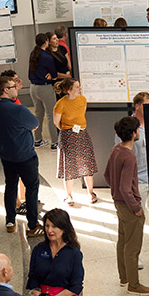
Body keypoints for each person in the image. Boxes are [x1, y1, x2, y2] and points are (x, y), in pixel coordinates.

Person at [0, 75, 43, 237]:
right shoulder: (18, 109)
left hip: (6, 154)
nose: (16, 88)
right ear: (5, 90)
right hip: (25, 156)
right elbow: (34, 124)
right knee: (32, 188)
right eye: (13, 86)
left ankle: (10, 220)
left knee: (10, 186)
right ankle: (32, 225)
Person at [105, 116, 149, 296]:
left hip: (118, 204)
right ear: (133, 134)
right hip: (128, 206)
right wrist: (136, 208)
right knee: (133, 246)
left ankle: (124, 277)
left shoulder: (115, 150)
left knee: (122, 241)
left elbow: (107, 175)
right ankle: (134, 284)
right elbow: (126, 189)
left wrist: (115, 193)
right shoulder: (129, 156)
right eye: (138, 130)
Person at [53, 77, 99, 206]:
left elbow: (81, 115)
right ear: (68, 91)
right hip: (68, 135)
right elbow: (57, 122)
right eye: (77, 87)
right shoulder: (60, 104)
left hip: (82, 133)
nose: (80, 89)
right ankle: (68, 195)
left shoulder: (82, 99)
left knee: (87, 164)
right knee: (69, 167)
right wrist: (68, 129)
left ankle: (91, 192)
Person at [28, 33, 58, 148]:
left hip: (33, 88)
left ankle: (38, 140)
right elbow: (54, 76)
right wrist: (51, 75)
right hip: (45, 88)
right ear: (46, 42)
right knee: (51, 115)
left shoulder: (33, 54)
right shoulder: (47, 57)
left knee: (38, 114)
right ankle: (55, 142)